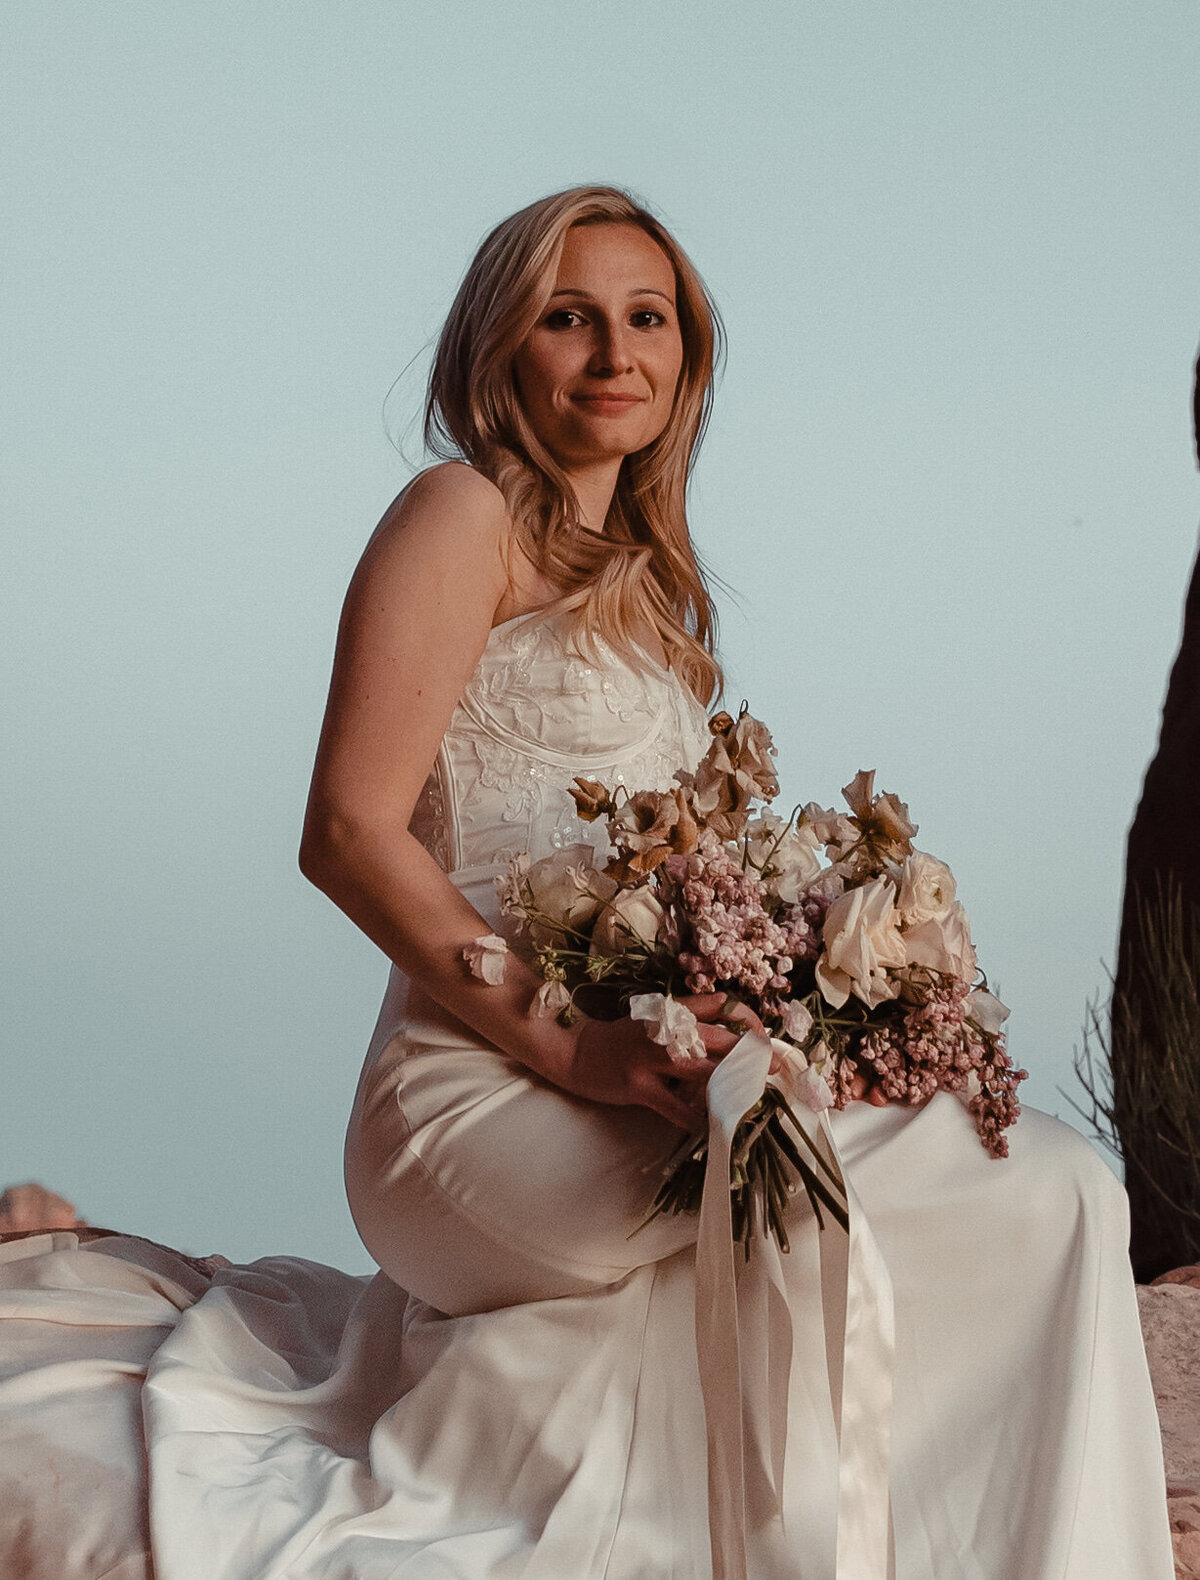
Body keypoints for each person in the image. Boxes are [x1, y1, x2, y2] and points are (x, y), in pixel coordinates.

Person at [0, 186, 1175, 1580]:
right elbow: (349, 830)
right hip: (475, 1094)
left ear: (685, 360)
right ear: (503, 351)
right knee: (884, 1201)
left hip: (644, 1077)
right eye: (569, 317)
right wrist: (573, 1043)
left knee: (1051, 1184)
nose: (614, 351)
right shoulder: (457, 512)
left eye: (646, 317)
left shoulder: (660, 611)